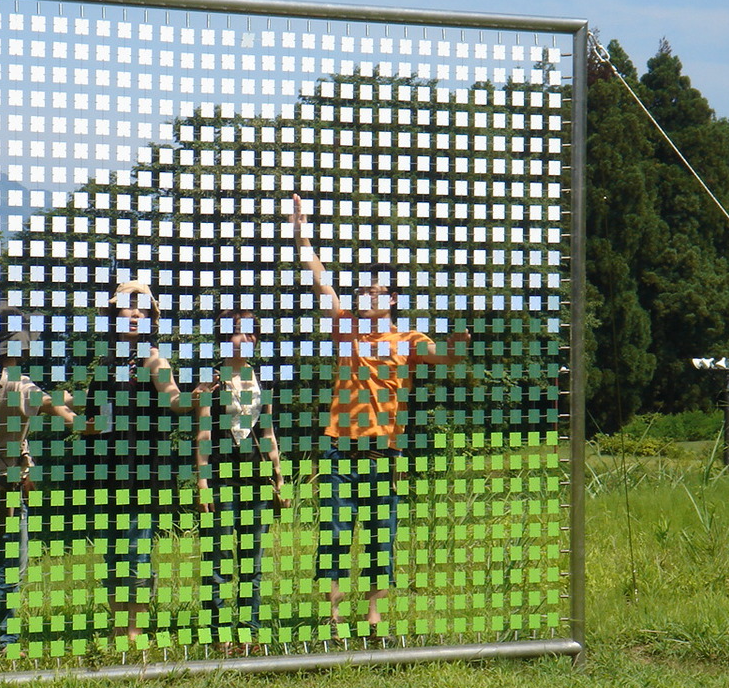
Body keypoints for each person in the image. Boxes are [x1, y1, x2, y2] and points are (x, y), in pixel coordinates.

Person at [288, 193, 469, 632]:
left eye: (376, 290)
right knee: (334, 533)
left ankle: (373, 614)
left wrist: (464, 338)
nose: (367, 295)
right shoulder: (346, 328)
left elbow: (447, 356)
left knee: (378, 533)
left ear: (392, 299)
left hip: (381, 453)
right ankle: (332, 615)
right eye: (363, 289)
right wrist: (301, 236)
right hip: (339, 449)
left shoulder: (409, 340)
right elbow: (320, 281)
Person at [80, 281, 196, 642]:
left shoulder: (153, 359)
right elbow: (94, 421)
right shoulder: (105, 363)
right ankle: (119, 629)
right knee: (112, 552)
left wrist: (196, 398)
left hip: (142, 469)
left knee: (136, 550)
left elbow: (174, 398)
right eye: (128, 307)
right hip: (107, 469)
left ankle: (134, 632)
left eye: (142, 308)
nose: (134, 314)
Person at [0, 307, 76, 656]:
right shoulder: (16, 384)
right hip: (7, 488)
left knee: (3, 564)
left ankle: (4, 641)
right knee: (10, 570)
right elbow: (53, 404)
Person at [194, 309, 288, 649]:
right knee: (217, 560)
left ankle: (250, 630)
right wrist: (202, 483)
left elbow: (269, 433)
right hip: (221, 476)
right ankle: (217, 634)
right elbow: (203, 434)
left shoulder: (263, 380)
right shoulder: (210, 380)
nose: (245, 338)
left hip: (256, 479)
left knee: (252, 560)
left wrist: (279, 476)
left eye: (251, 332)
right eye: (238, 331)